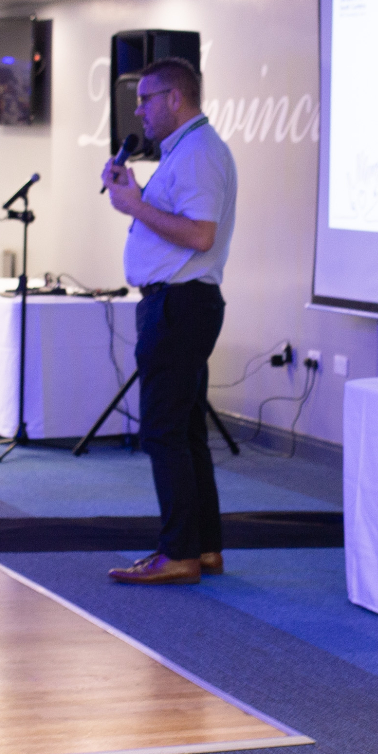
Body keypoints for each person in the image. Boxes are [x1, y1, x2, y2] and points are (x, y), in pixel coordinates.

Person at [100, 56, 238, 585]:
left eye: (145, 99)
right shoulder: (188, 151)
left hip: (180, 305)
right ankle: (203, 548)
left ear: (175, 99)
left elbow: (199, 234)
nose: (138, 110)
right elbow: (179, 223)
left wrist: (134, 206)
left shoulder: (199, 153)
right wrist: (133, 194)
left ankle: (177, 552)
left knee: (163, 432)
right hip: (183, 303)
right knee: (184, 432)